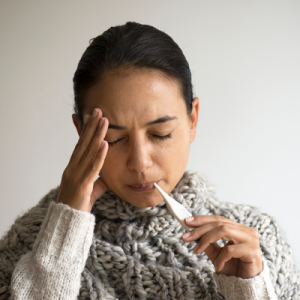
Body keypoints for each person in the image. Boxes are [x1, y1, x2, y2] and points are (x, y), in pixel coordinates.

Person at [0, 21, 299, 300]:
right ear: (82, 132)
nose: (140, 162)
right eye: (114, 139)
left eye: (160, 134)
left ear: (193, 120)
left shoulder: (258, 245)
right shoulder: (30, 242)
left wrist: (250, 291)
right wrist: (62, 235)